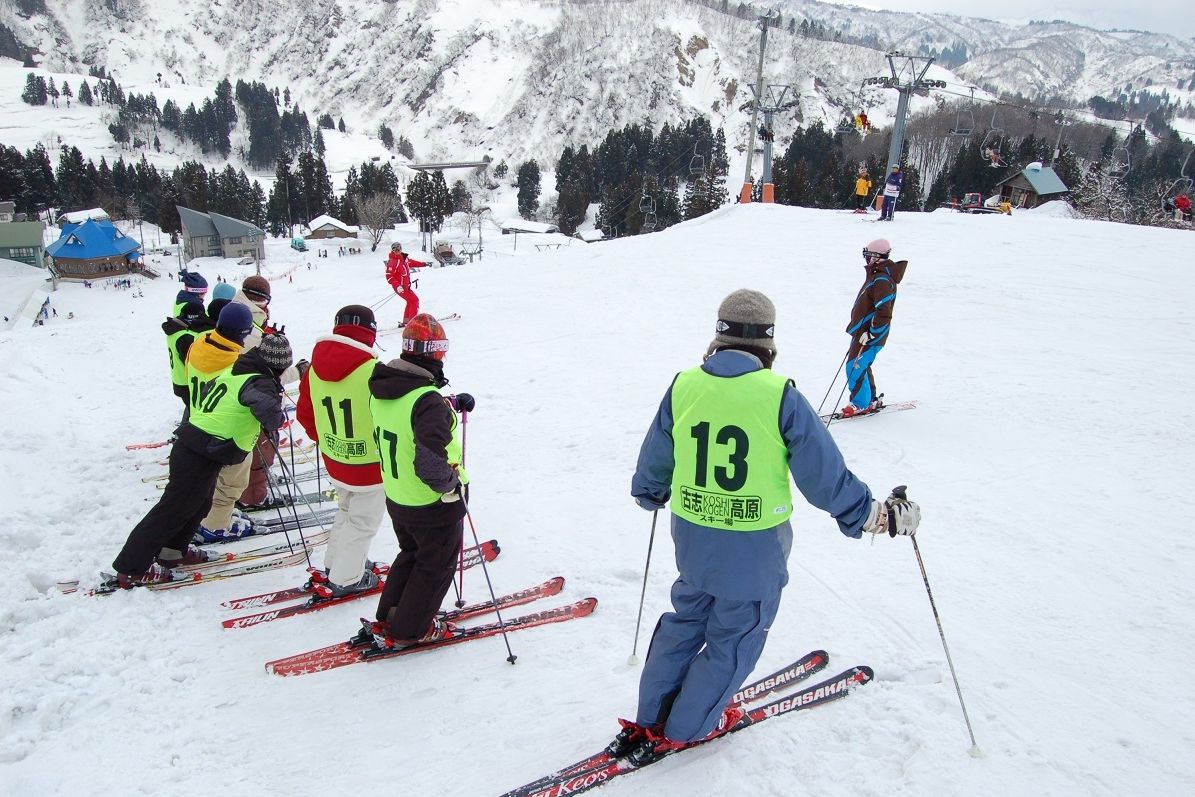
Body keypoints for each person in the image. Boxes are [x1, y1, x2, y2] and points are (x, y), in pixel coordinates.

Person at [610, 289, 921, 766]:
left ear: (719, 336)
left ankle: (651, 715)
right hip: (752, 547)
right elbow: (824, 476)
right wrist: (872, 515)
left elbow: (658, 448)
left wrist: (649, 490)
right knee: (736, 634)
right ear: (767, 342)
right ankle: (689, 727)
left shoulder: (684, 384)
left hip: (693, 536)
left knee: (685, 620)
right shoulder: (779, 395)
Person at [111, 309, 290, 587]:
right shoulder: (255, 381)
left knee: (199, 503)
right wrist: (277, 397)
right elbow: (272, 416)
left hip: (204, 447)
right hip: (200, 449)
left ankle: (172, 552)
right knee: (173, 508)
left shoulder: (240, 365)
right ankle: (130, 568)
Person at [367, 314, 474, 646]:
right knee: (435, 565)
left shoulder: (386, 387)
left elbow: (408, 416)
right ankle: (410, 629)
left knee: (412, 553)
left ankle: (391, 614)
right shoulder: (426, 402)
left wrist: (449, 405)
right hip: (432, 502)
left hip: (398, 495)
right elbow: (429, 464)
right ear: (434, 353)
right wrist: (451, 484)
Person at [294, 305, 387, 597]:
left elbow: (305, 414)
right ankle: (346, 578)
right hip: (369, 464)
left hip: (335, 459)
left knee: (346, 511)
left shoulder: (313, 370)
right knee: (362, 522)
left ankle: (337, 563)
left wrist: (325, 440)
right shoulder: (374, 371)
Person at [841, 239, 908, 418]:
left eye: (869, 255)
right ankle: (869, 399)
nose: (866, 259)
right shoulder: (877, 274)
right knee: (861, 365)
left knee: (854, 367)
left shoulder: (882, 279)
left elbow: (884, 311)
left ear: (877, 257)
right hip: (862, 332)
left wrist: (872, 333)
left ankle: (860, 404)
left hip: (870, 335)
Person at [162, 292, 214, 408]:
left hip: (179, 380)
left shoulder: (174, 330)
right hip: (187, 383)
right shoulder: (186, 337)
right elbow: (192, 363)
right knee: (194, 410)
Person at [385, 242, 420, 326]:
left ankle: (407, 321)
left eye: (399, 248)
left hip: (406, 287)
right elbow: (389, 276)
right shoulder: (393, 262)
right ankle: (412, 323)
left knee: (411, 301)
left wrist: (424, 264)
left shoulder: (403, 258)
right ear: (392, 250)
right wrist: (397, 286)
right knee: (414, 301)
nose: (397, 250)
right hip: (400, 288)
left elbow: (412, 263)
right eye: (395, 249)